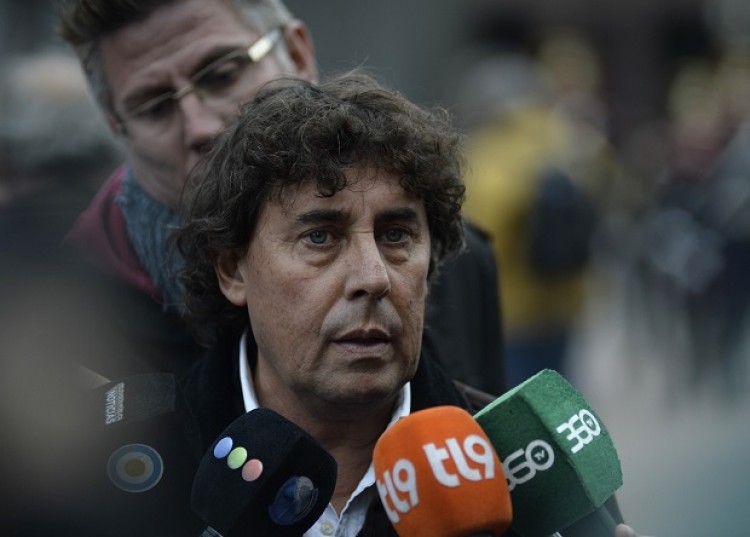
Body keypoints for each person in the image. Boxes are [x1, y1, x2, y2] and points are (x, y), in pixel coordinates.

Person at [175, 71, 642, 537]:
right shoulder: (148, 462)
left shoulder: (534, 473)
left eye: (396, 235)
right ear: (232, 269)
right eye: (319, 237)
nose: (374, 277)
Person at [57, 0, 506, 393]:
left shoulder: (457, 260)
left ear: (296, 52)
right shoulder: (63, 319)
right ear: (117, 128)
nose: (200, 127)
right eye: (154, 107)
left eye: (222, 75)